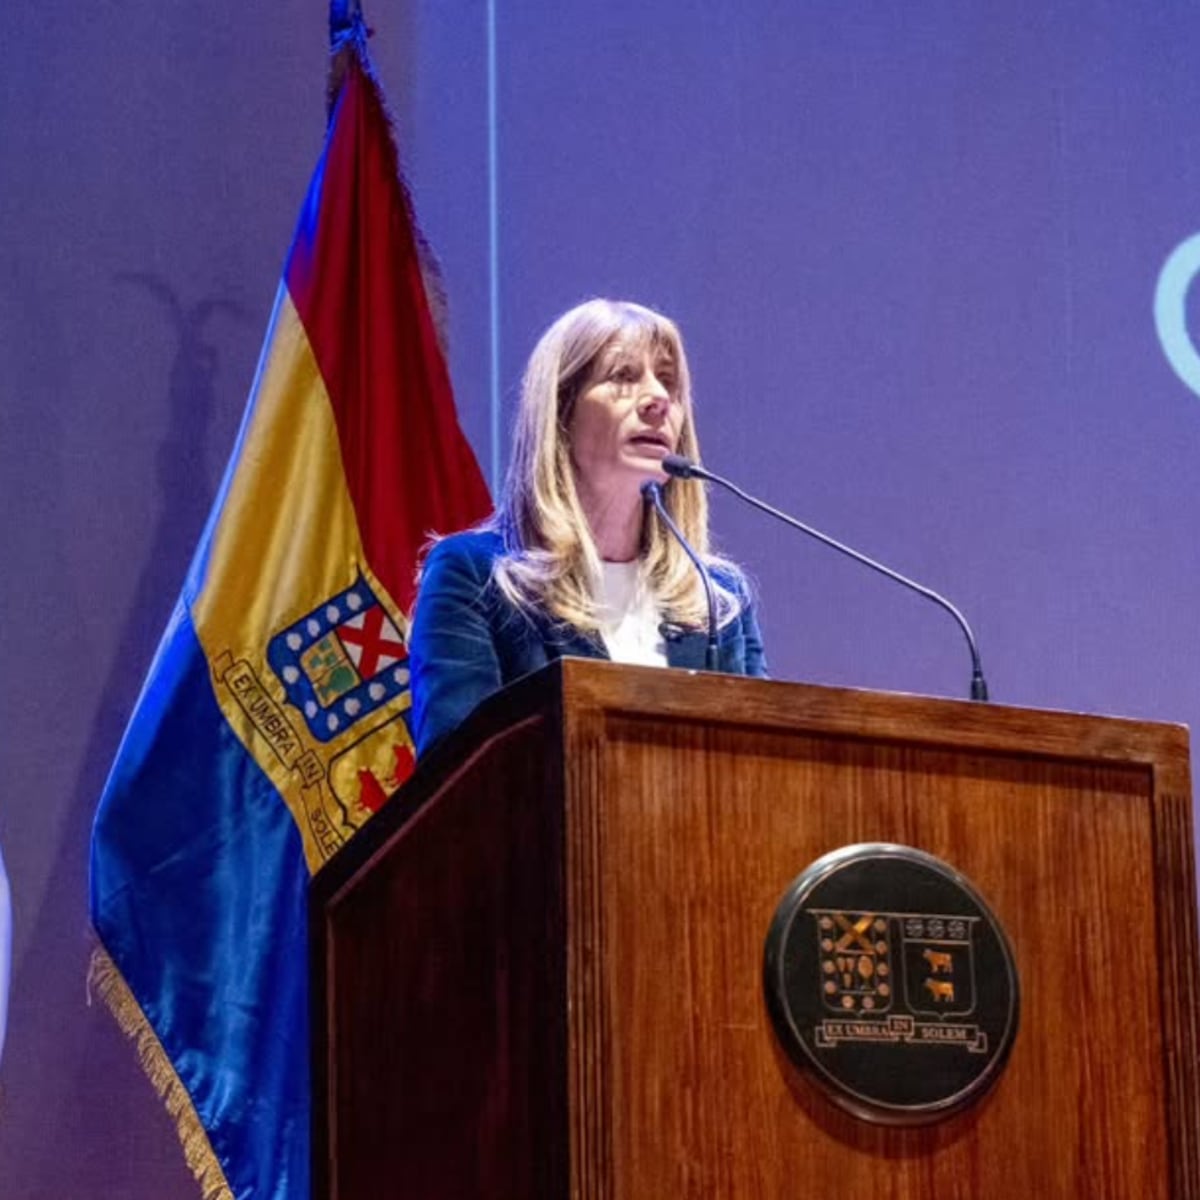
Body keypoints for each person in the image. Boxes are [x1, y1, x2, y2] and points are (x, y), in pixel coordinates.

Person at [408, 298, 766, 756]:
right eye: (623, 376)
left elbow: (763, 763)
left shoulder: (720, 599)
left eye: (670, 383)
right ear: (561, 413)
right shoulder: (474, 577)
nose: (658, 399)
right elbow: (458, 781)